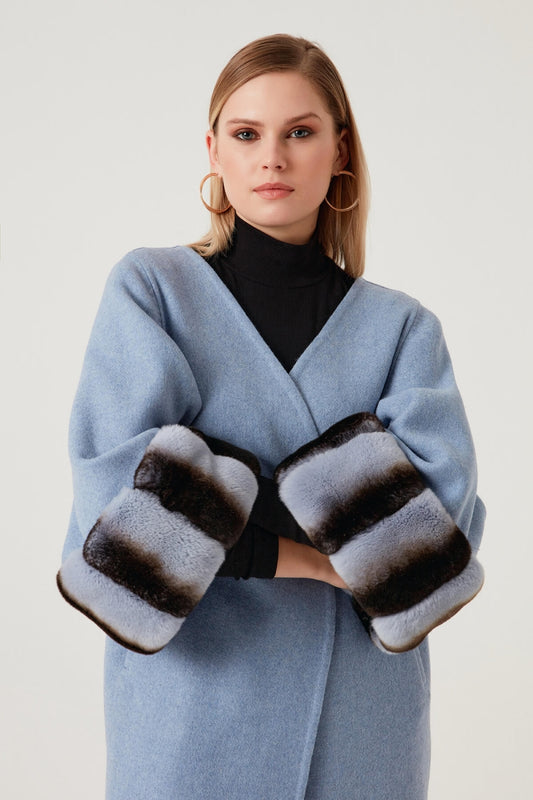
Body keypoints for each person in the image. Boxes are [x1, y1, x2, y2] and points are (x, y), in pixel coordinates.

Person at [57, 34, 485, 800]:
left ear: (339, 150)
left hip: (360, 721)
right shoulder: (153, 291)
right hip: (189, 707)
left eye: (300, 132)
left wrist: (204, 481)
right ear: (214, 151)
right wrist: (320, 552)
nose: (272, 158)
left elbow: (431, 541)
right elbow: (118, 516)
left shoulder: (402, 330)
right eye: (247, 133)